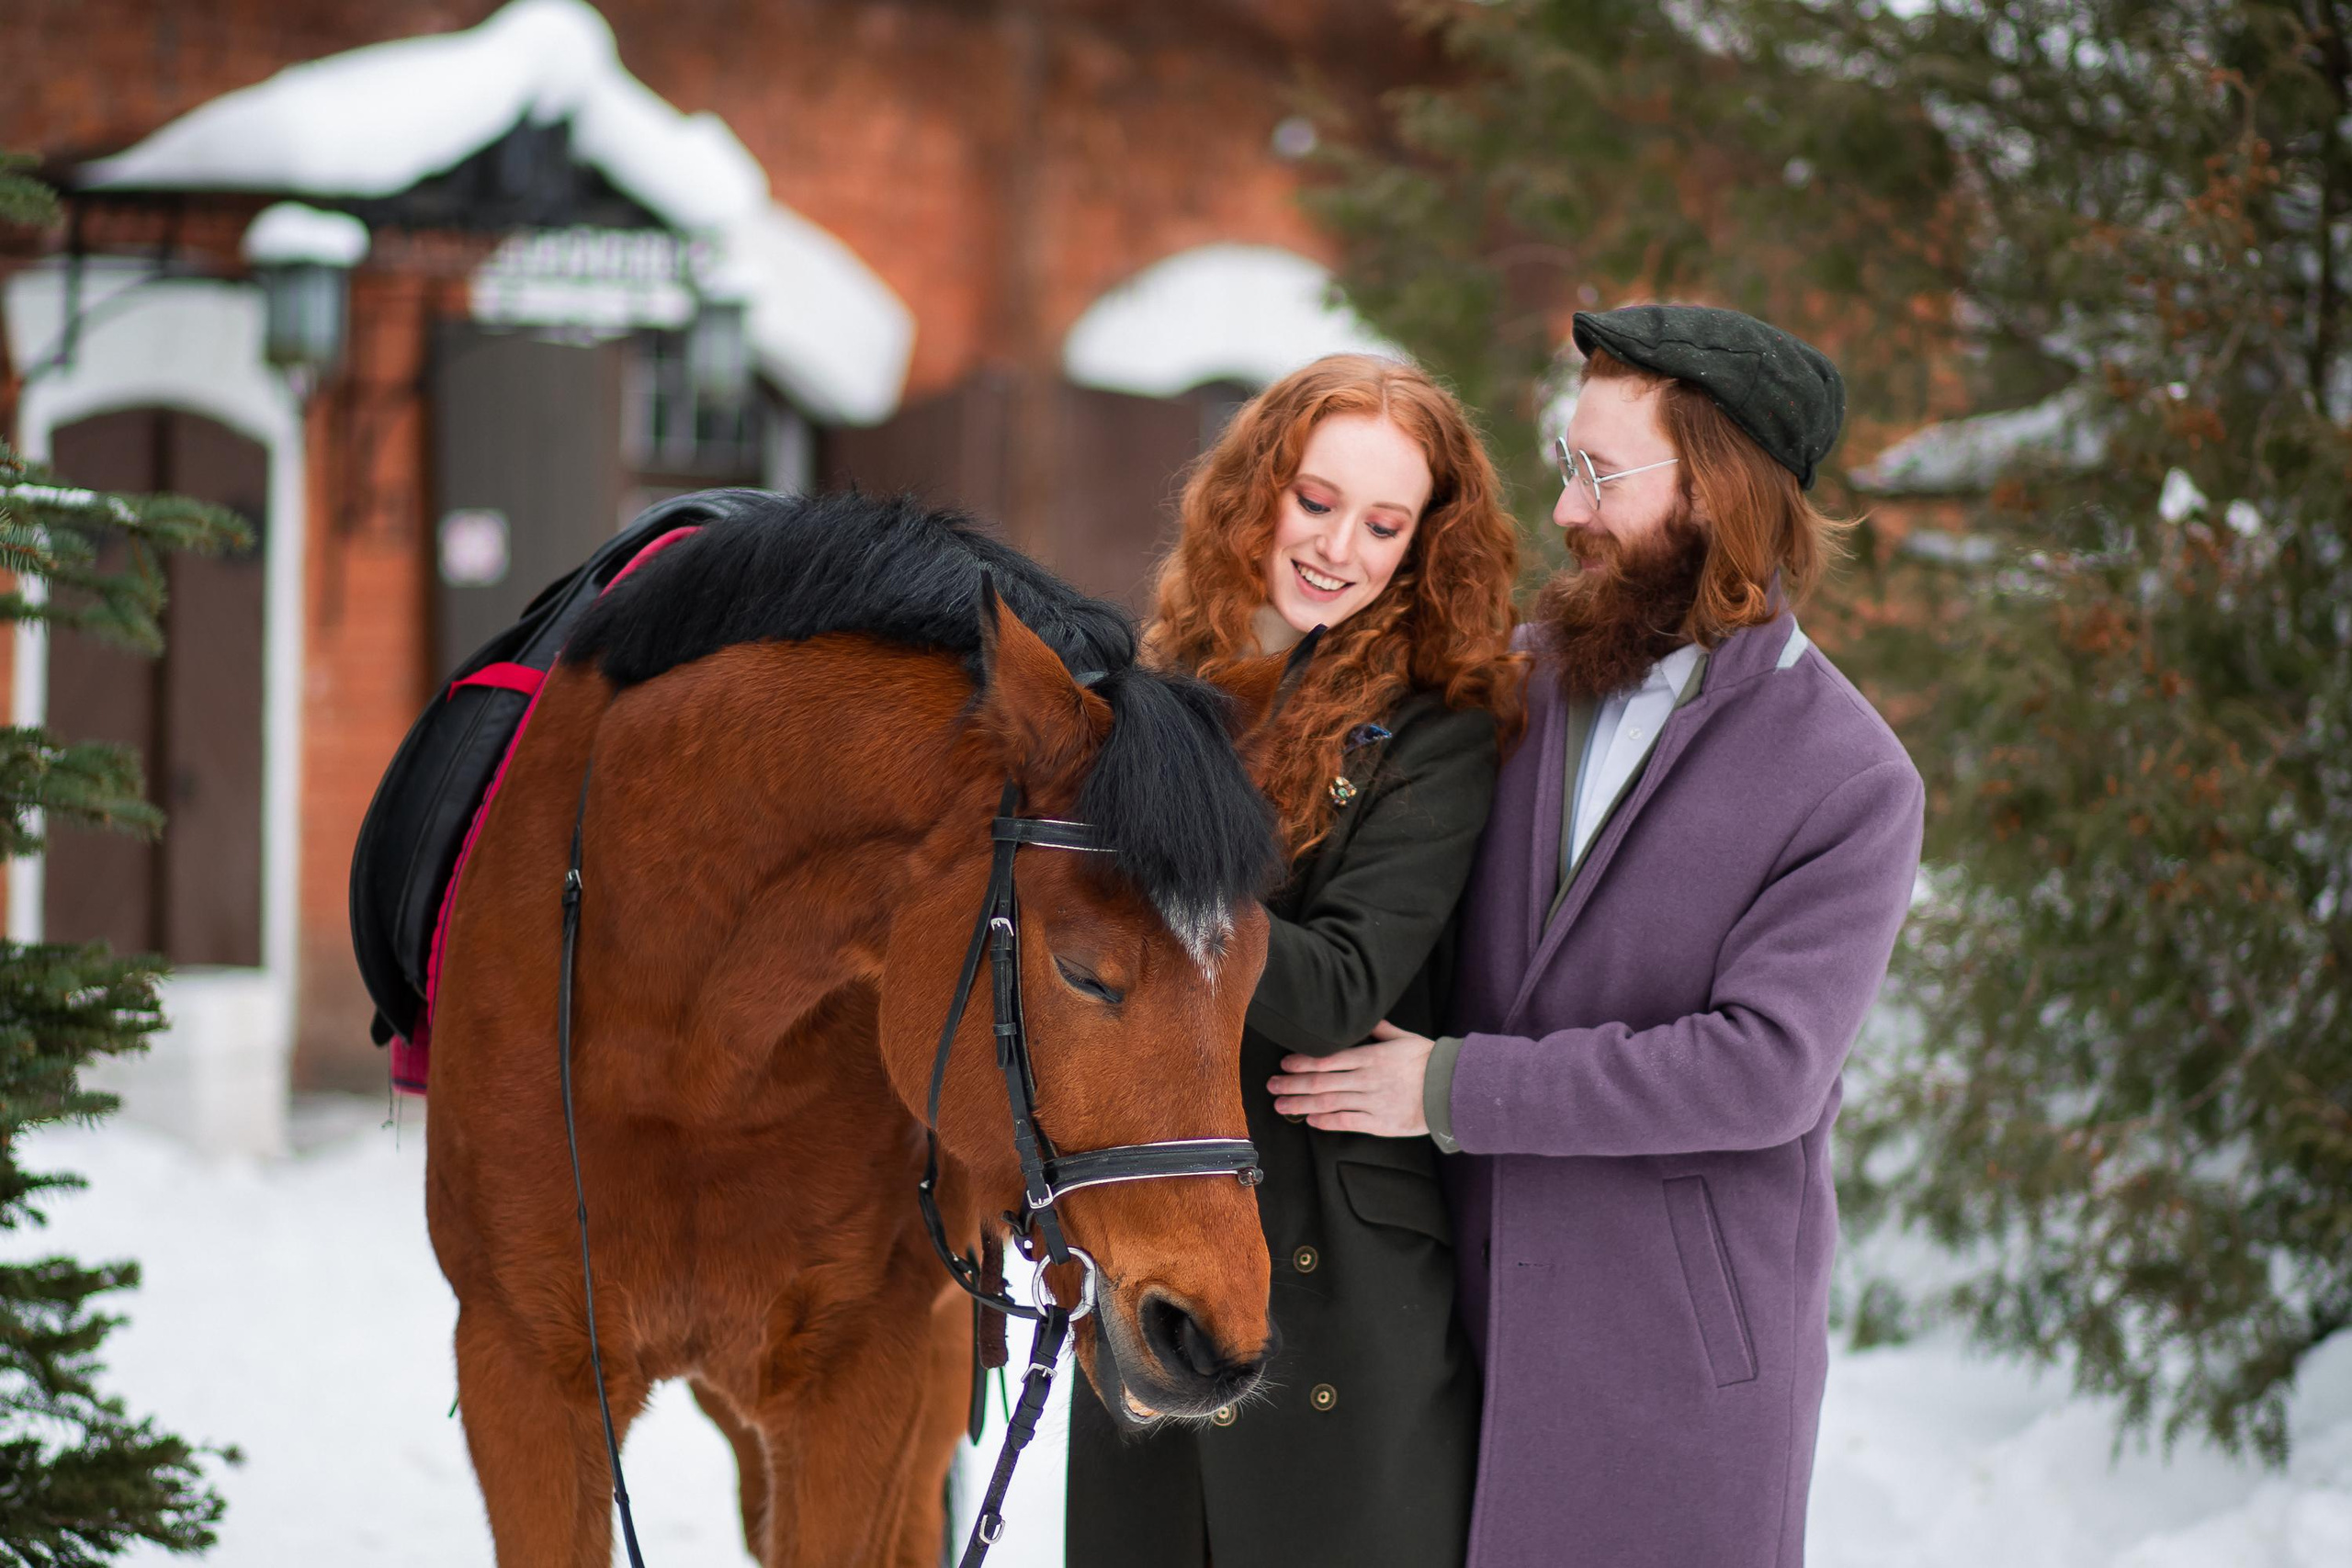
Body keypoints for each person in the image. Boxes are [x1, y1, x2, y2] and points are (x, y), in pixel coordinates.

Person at [1269, 306, 1925, 1566]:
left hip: (1670, 1377)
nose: (1565, 510)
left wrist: (1454, 1088)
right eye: (1564, 464)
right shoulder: (1507, 689)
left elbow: (1761, 1069)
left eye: (1601, 474)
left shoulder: (1851, 779)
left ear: (1720, 495)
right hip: (1449, 1332)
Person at [1065, 354, 1524, 1568]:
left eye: (1386, 524)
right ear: (1254, 491)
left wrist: (1166, 870)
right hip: (1157, 1219)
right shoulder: (1160, 685)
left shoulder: (1438, 730)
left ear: (1425, 544)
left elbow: (1338, 987)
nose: (1340, 547)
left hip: (1335, 1247)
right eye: (1316, 502)